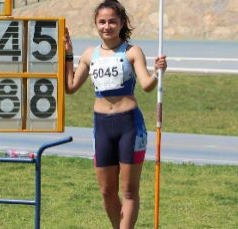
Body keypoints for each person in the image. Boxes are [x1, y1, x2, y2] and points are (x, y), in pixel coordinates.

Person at [64, 0, 167, 228]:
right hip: (101, 126)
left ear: (121, 23)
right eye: (102, 22)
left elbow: (147, 85)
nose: (107, 26)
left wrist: (158, 72)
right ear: (96, 24)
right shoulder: (90, 55)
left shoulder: (132, 52)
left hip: (129, 125)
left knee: (129, 192)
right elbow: (70, 87)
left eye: (112, 21)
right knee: (106, 191)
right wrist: (68, 56)